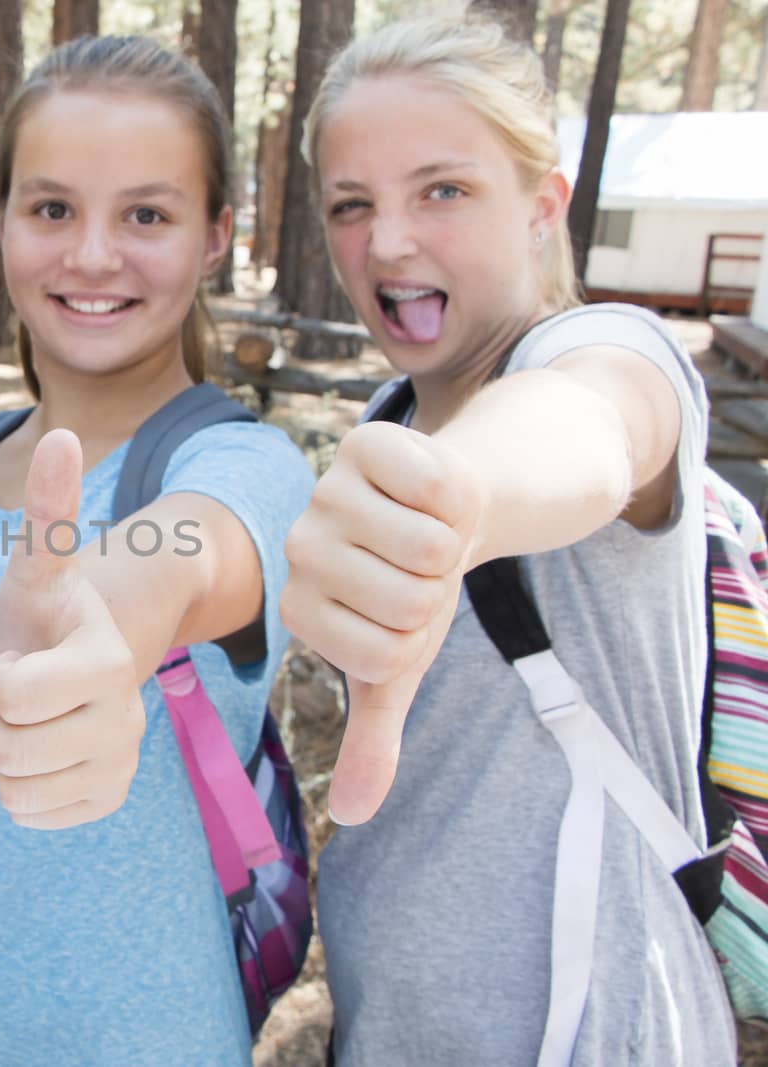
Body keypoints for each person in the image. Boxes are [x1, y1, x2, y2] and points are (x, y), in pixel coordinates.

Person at [0, 35, 314, 1066]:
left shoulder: (241, 465)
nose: (92, 255)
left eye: (145, 214)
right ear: (0, 222)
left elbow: (188, 553)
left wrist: (118, 603)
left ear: (215, 234)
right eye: (52, 209)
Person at [278, 15, 736, 1064]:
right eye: (352, 205)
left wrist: (457, 500)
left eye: (440, 189)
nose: (386, 242)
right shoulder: (389, 421)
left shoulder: (608, 351)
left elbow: (588, 429)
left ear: (541, 205)